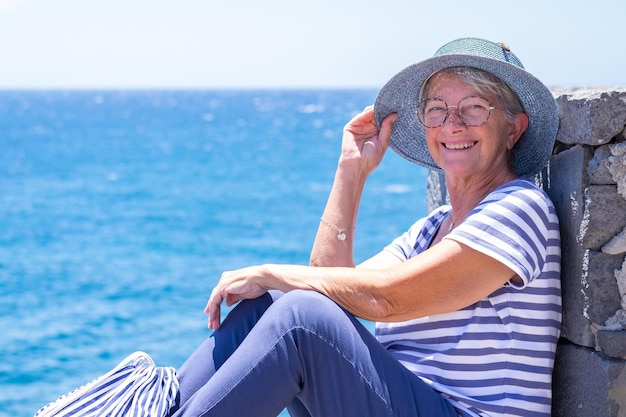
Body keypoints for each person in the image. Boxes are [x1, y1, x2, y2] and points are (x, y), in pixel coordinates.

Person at [168, 38, 561, 417]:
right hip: (407, 403)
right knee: (271, 302)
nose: (452, 124)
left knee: (299, 314)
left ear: (513, 129)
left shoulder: (519, 207)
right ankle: (155, 405)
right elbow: (328, 285)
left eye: (474, 108)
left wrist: (270, 273)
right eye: (438, 109)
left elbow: (386, 300)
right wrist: (351, 172)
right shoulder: (431, 229)